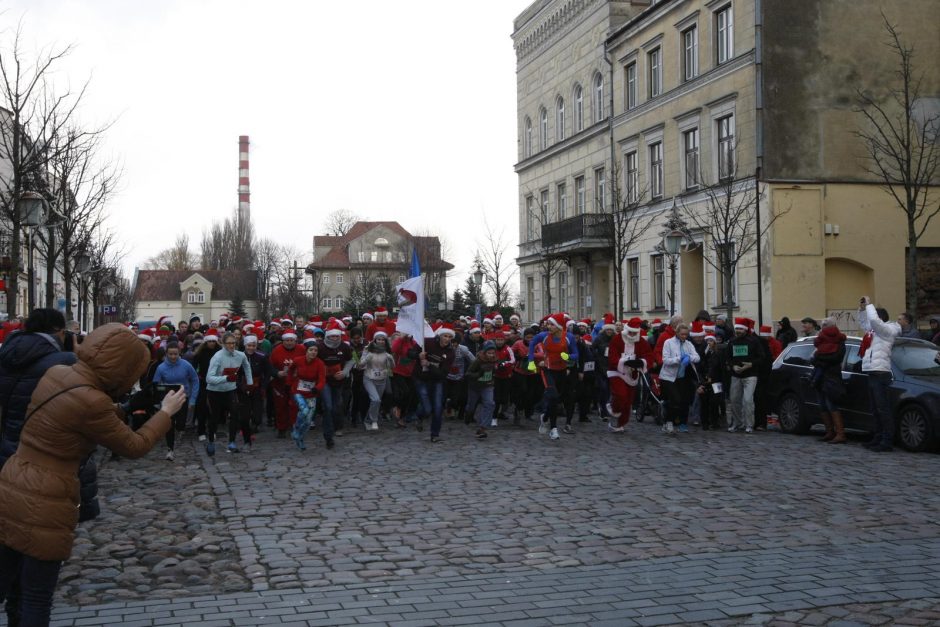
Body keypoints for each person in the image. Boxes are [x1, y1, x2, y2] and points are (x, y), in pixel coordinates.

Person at [0, 324, 186, 626]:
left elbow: (76, 413)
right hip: (47, 496)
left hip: (13, 478)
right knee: (36, 595)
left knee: (5, 579)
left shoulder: (58, 373)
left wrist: (125, 408)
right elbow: (133, 445)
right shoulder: (93, 402)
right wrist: (165, 413)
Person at [0, 309, 78, 470]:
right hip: (46, 445)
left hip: (7, 438)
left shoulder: (7, 352)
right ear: (59, 331)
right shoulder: (65, 360)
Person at [857, 296, 900, 452]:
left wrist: (869, 305)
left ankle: (887, 441)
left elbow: (874, 322)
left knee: (883, 409)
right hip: (872, 371)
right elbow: (864, 323)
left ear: (878, 317)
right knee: (875, 408)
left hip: (881, 373)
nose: (871, 320)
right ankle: (877, 437)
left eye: (872, 315)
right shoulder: (874, 331)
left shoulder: (890, 330)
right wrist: (862, 310)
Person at [527, 313, 579, 441]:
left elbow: (576, 354)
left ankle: (544, 418)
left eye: (551, 325)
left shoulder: (569, 337)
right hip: (548, 370)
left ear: (559, 327)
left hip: (561, 371)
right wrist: (530, 362)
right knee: (553, 396)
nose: (548, 327)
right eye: (548, 324)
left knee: (556, 399)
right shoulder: (543, 336)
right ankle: (553, 429)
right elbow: (532, 343)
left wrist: (568, 357)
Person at [205, 332, 252, 456]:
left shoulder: (240, 355)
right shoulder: (217, 357)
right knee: (215, 418)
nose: (232, 345)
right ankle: (210, 441)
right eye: (229, 343)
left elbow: (247, 367)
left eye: (233, 343)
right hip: (215, 392)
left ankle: (231, 442)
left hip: (230, 390)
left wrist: (250, 383)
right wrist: (225, 378)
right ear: (223, 344)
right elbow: (209, 378)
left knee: (235, 414)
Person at [151, 341, 199, 461]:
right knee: (169, 425)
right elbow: (155, 385)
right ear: (166, 354)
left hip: (183, 398)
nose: (173, 357)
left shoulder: (186, 365)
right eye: (170, 354)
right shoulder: (161, 368)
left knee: (181, 424)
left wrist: (193, 399)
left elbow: (195, 380)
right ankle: (170, 449)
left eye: (175, 354)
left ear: (179, 353)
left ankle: (180, 431)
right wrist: (160, 397)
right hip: (168, 400)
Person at [605, 317, 652, 433]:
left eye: (635, 332)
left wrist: (641, 362)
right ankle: (613, 407)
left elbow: (648, 355)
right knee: (621, 394)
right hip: (616, 371)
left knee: (627, 402)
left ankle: (620, 425)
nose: (632, 334)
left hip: (632, 374)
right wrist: (624, 362)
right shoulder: (617, 339)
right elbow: (612, 356)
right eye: (630, 331)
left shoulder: (641, 341)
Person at [416, 325, 456, 442]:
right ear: (440, 336)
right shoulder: (427, 343)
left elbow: (443, 373)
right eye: (445, 336)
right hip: (421, 378)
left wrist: (429, 364)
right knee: (427, 408)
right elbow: (411, 352)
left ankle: (435, 434)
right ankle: (420, 415)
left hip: (437, 380)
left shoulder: (450, 353)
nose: (447, 339)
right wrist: (418, 355)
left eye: (449, 337)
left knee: (438, 407)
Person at [659, 322, 700, 434]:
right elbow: (665, 360)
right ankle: (669, 422)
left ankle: (676, 422)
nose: (684, 336)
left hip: (682, 377)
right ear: (676, 333)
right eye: (682, 334)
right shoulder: (669, 342)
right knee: (675, 399)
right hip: (668, 376)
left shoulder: (688, 344)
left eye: (686, 334)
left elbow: (697, 357)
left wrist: (689, 357)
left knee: (682, 401)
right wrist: (678, 359)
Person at [811, 321, 848, 443]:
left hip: (831, 377)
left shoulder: (839, 341)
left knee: (831, 404)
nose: (823, 327)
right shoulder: (820, 340)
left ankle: (840, 433)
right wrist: (819, 359)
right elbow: (813, 358)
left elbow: (836, 358)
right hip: (821, 377)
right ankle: (829, 431)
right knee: (822, 404)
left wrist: (820, 359)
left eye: (825, 325)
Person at [726, 318, 764, 433]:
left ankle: (749, 424)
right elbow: (728, 358)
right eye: (736, 328)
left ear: (745, 330)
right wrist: (733, 366)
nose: (738, 331)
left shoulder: (754, 341)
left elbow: (762, 357)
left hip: (750, 375)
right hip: (736, 375)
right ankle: (737, 423)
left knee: (748, 400)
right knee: (734, 400)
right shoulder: (732, 341)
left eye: (740, 329)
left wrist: (750, 364)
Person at [287, 341, 327, 450]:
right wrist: (290, 381)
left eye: (315, 350)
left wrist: (317, 388)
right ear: (306, 351)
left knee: (308, 421)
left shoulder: (320, 364)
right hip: (298, 391)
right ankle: (295, 429)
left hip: (311, 393)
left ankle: (300, 438)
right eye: (311, 350)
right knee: (304, 411)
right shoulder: (298, 360)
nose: (313, 352)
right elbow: (290, 370)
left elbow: (322, 379)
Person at [357, 331, 395, 432]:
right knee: (376, 400)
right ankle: (374, 420)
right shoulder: (367, 349)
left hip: (382, 379)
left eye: (383, 339)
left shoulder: (387, 351)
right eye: (379, 339)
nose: (381, 341)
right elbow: (360, 365)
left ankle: (368, 420)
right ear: (375, 340)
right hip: (369, 378)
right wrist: (366, 359)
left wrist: (391, 360)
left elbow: (392, 367)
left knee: (377, 401)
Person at [269, 330, 304, 438]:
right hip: (280, 383)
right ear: (283, 341)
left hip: (296, 383)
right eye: (287, 340)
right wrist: (277, 373)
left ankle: (294, 426)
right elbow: (270, 367)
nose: (289, 343)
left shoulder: (302, 349)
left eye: (291, 340)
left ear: (295, 340)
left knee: (295, 406)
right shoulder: (276, 351)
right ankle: (281, 428)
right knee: (280, 406)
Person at [465, 340, 498, 439]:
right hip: (475, 386)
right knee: (471, 406)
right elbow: (468, 374)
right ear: (484, 352)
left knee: (490, 403)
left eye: (493, 353)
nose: (491, 355)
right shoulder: (478, 361)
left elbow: (494, 372)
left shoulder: (495, 360)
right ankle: (468, 414)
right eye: (489, 353)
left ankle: (482, 428)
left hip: (488, 385)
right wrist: (479, 373)